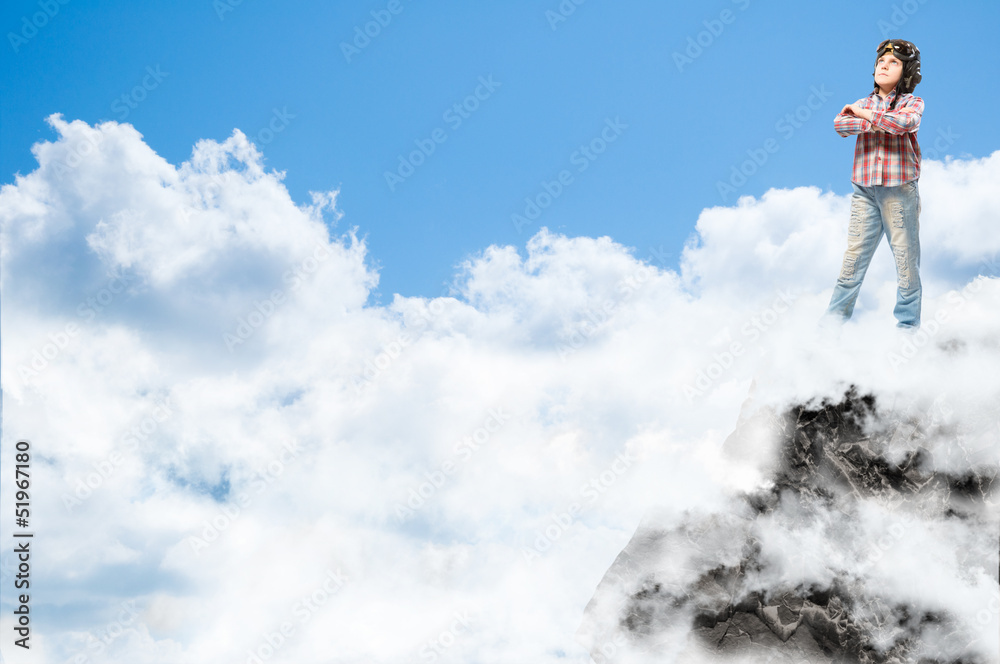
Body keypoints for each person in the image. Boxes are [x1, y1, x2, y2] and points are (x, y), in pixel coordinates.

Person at [825, 39, 924, 329]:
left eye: (893, 62)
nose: (884, 65)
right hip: (864, 193)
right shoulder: (863, 102)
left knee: (906, 265)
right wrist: (880, 120)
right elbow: (840, 125)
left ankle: (907, 330)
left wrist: (866, 117)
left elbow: (904, 124)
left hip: (899, 192)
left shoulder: (911, 102)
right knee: (852, 263)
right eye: (881, 61)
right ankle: (829, 328)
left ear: (907, 72)